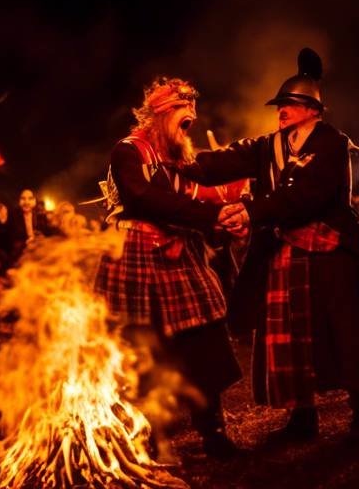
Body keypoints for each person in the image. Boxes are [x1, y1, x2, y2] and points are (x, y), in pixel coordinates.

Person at [174, 48, 359, 445]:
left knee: (347, 332)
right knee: (288, 338)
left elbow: (306, 197)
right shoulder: (270, 144)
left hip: (331, 250)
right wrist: (177, 161)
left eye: (290, 104)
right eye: (281, 105)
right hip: (283, 250)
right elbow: (224, 161)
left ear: (312, 109)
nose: (282, 110)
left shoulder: (332, 144)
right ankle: (302, 419)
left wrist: (250, 210)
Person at [93, 77, 242, 460]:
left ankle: (214, 433)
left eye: (193, 108)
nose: (191, 114)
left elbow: (207, 191)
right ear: (159, 115)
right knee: (142, 352)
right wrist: (210, 216)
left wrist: (227, 212)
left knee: (204, 343)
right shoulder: (128, 151)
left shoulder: (182, 158)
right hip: (136, 254)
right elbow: (143, 198)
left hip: (182, 252)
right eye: (181, 109)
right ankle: (148, 439)